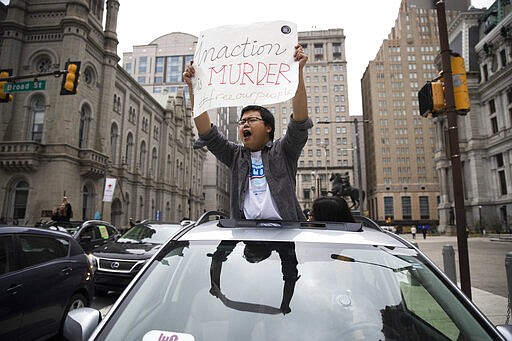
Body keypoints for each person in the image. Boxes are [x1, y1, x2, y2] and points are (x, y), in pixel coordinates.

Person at [184, 44, 311, 221]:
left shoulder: (283, 151)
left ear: (268, 127)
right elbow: (208, 134)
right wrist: (193, 87)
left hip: (286, 235)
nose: (245, 125)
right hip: (248, 235)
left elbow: (299, 123)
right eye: (242, 121)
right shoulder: (235, 155)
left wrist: (297, 71)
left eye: (251, 120)